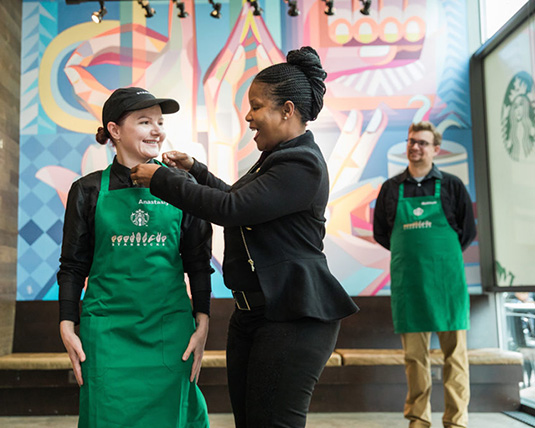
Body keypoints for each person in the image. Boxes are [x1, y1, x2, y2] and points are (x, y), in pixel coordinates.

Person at [131, 46, 359, 428]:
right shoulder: (276, 158)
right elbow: (239, 203)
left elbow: (230, 209)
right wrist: (197, 171)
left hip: (294, 315)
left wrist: (163, 180)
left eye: (256, 106)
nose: (249, 116)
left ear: (287, 110)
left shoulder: (301, 162)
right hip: (255, 313)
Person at [57, 87, 212, 428]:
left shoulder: (182, 185)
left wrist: (203, 320)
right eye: (145, 122)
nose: (158, 130)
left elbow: (198, 262)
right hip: (108, 333)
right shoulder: (88, 190)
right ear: (114, 130)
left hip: (168, 332)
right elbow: (72, 265)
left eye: (159, 121)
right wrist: (67, 323)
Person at [373, 121, 477, 428]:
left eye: (421, 142)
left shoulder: (453, 186)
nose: (414, 147)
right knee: (414, 360)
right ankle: (418, 419)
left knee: (455, 357)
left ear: (435, 149)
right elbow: (382, 233)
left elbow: (467, 232)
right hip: (410, 283)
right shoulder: (391, 188)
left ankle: (456, 421)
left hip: (448, 285)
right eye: (411, 141)